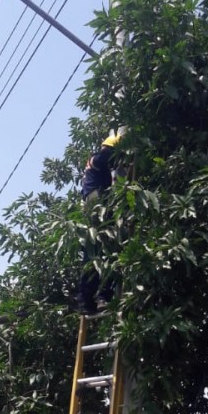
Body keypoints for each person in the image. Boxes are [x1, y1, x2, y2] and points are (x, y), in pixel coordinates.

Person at [77, 131, 122, 315]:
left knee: (94, 252)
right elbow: (105, 158)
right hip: (97, 201)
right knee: (110, 248)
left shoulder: (94, 165)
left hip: (91, 203)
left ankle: (87, 301)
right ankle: (103, 295)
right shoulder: (97, 158)